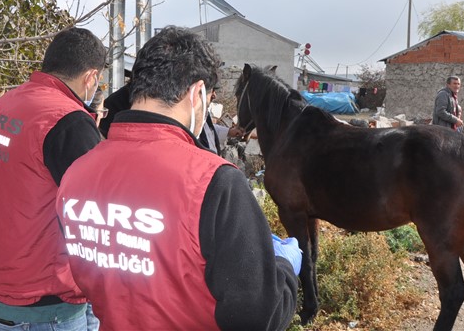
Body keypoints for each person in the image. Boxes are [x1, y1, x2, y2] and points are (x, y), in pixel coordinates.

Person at [56, 26, 300, 330]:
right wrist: (285, 266)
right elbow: (257, 316)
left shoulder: (77, 173)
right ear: (197, 93)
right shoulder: (216, 183)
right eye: (208, 99)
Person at [0, 27, 106, 331]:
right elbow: (99, 214)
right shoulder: (67, 122)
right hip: (45, 298)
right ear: (91, 77)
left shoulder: (8, 102)